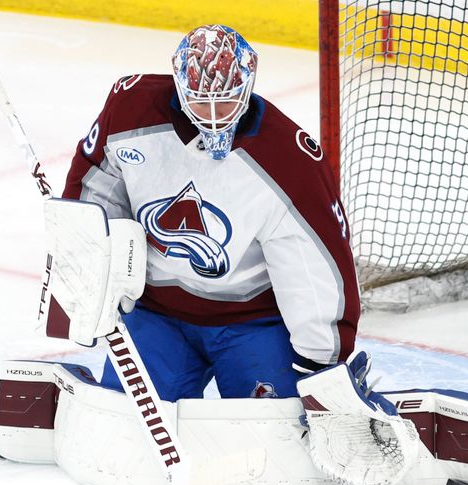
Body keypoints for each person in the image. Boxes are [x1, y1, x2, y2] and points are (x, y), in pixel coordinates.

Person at [61, 24, 360, 401]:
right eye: (201, 101)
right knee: (123, 425)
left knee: (273, 436)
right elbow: (96, 190)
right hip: (156, 313)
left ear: (248, 86)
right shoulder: (131, 109)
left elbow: (313, 266)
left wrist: (320, 360)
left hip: (252, 322)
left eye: (228, 101)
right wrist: (90, 277)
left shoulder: (290, 161)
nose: (215, 115)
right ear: (180, 87)